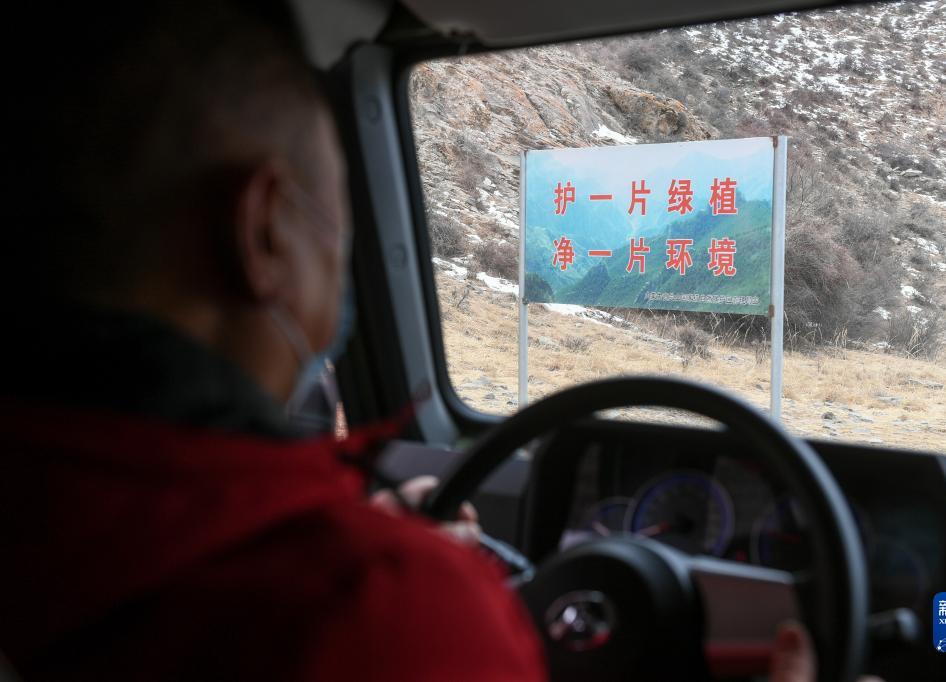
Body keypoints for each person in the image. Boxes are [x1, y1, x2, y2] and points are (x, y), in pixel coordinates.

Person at [1, 1, 849, 680]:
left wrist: (365, 534)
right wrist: (394, 575)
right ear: (265, 234)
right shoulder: (370, 612)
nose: (345, 265)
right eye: (339, 223)